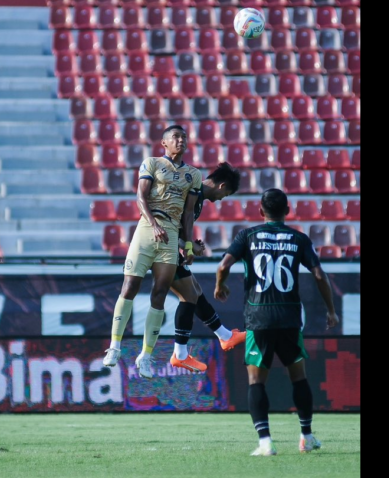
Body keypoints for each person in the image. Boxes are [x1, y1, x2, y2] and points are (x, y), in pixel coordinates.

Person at [214, 188, 339, 456]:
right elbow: (319, 274)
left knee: (256, 382)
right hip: (289, 317)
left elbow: (223, 266)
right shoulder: (299, 238)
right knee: (299, 378)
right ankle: (306, 436)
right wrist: (330, 310)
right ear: (288, 211)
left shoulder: (247, 235)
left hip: (258, 317)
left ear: (261, 211)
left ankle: (265, 442)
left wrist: (220, 286)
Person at [102, 125, 202, 378]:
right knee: (130, 287)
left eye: (183, 137)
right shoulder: (153, 163)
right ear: (164, 143)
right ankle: (114, 347)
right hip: (148, 227)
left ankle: (146, 356)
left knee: (159, 294)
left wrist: (188, 245)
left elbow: (189, 214)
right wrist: (154, 224)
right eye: (175, 137)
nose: (181, 141)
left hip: (170, 234)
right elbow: (141, 197)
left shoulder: (194, 175)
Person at [168, 162, 247, 371]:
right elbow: (166, 223)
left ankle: (225, 336)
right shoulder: (191, 192)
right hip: (159, 249)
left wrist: (189, 246)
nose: (222, 199)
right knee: (188, 296)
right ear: (221, 186)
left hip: (167, 249)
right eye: (226, 195)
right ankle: (180, 354)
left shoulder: (198, 197)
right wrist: (189, 245)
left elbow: (179, 227)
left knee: (194, 291)